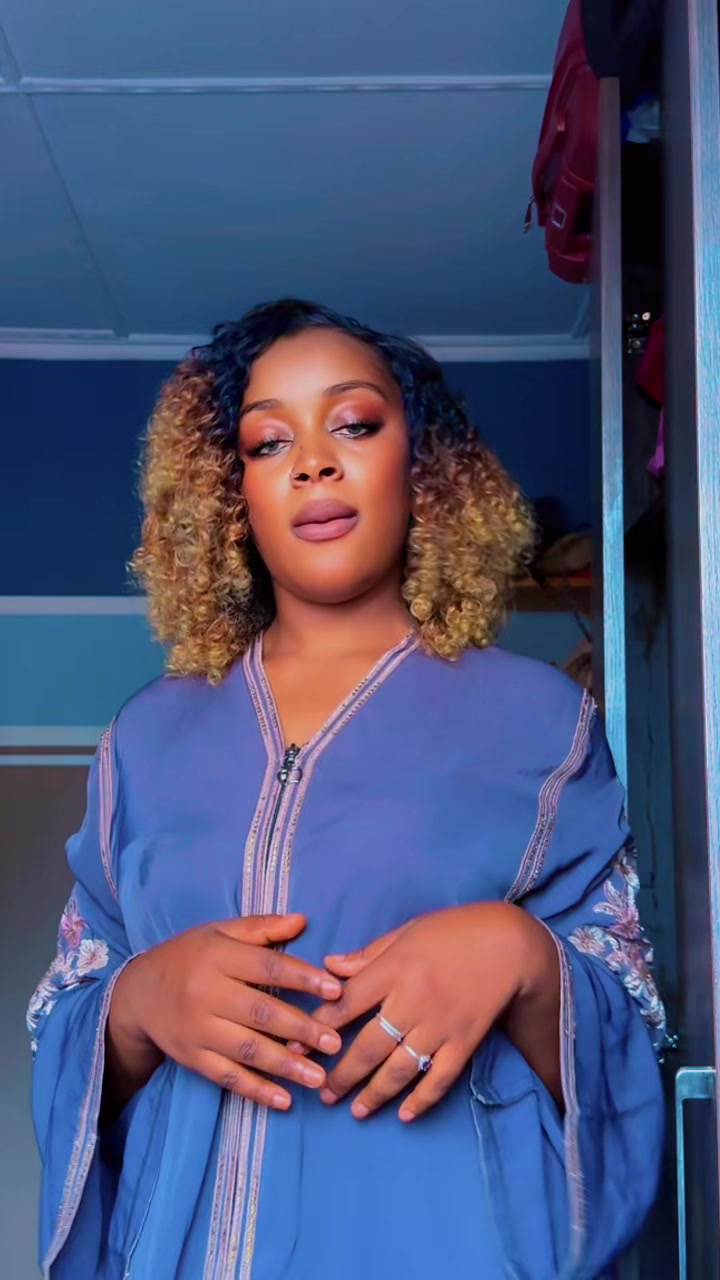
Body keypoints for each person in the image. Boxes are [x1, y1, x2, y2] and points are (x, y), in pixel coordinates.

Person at [28, 299, 665, 1280]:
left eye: (355, 424)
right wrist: (138, 1002)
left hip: (448, 1244)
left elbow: (634, 1026)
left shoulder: (541, 722)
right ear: (228, 492)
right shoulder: (144, 742)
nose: (313, 464)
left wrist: (524, 955)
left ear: (425, 467)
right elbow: (67, 1018)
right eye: (268, 441)